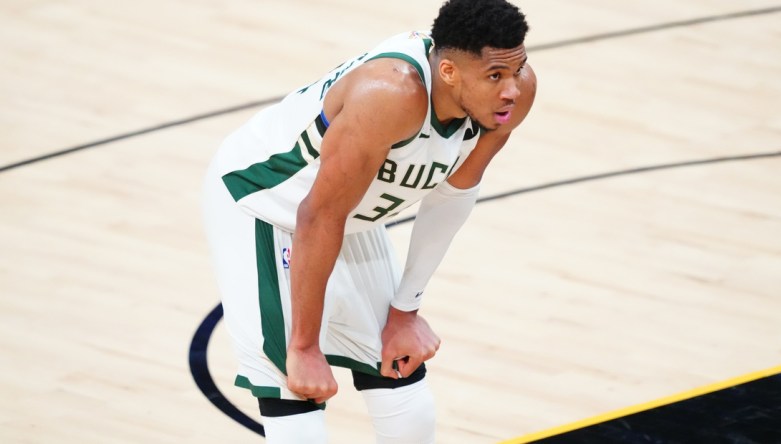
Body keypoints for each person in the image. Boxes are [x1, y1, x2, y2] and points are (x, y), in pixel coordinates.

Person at [203, 0, 536, 441]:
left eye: (517, 70)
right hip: (267, 202)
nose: (512, 89)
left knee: (399, 374)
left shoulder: (513, 95)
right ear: (450, 72)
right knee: (296, 395)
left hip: (349, 212)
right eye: (496, 76)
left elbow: (453, 196)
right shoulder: (390, 95)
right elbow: (317, 214)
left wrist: (405, 311)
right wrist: (303, 346)